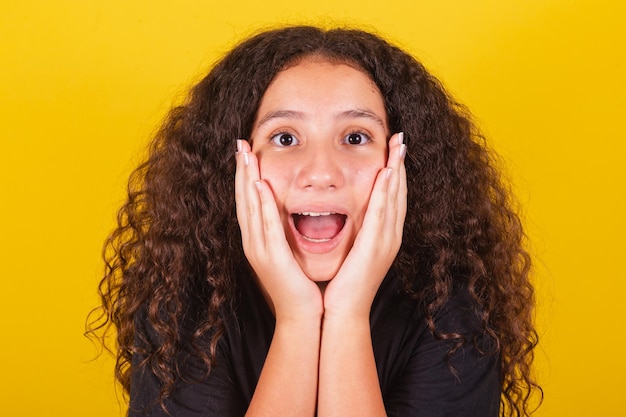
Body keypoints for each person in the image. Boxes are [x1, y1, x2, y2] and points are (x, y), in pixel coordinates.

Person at [89, 26, 541, 416]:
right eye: (285, 138)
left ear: (403, 162)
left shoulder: (453, 311)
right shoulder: (184, 301)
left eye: (355, 137)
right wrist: (298, 318)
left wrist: (346, 316)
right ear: (235, 163)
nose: (321, 173)